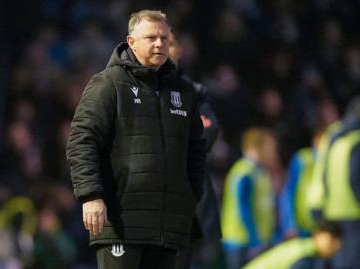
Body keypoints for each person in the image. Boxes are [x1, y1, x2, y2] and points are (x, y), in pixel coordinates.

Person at [66, 10, 206, 269]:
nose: (159, 44)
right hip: (122, 221)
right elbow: (82, 140)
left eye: (164, 38)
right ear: (131, 42)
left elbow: (196, 148)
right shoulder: (108, 84)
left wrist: (190, 194)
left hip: (168, 225)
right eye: (151, 37)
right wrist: (91, 196)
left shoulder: (183, 91)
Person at [168, 31, 222, 269]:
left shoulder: (195, 92)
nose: (160, 46)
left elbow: (208, 131)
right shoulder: (133, 89)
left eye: (168, 42)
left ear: (179, 51)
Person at [309, 96, 360, 269]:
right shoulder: (359, 139)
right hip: (352, 210)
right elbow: (355, 178)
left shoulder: (334, 132)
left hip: (328, 206)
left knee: (337, 260)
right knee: (352, 261)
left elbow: (324, 172)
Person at [220, 127, 278, 269]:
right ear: (257, 148)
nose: (272, 152)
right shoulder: (244, 172)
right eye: (269, 147)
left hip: (258, 240)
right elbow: (242, 207)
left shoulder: (261, 172)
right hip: (241, 241)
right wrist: (254, 239)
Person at [242, 221, 342, 269]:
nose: (337, 246)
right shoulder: (306, 255)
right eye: (333, 239)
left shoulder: (302, 246)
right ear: (318, 234)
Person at [279, 133, 321, 238]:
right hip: (301, 227)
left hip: (323, 227)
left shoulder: (332, 159)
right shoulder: (302, 158)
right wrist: (289, 224)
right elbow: (288, 192)